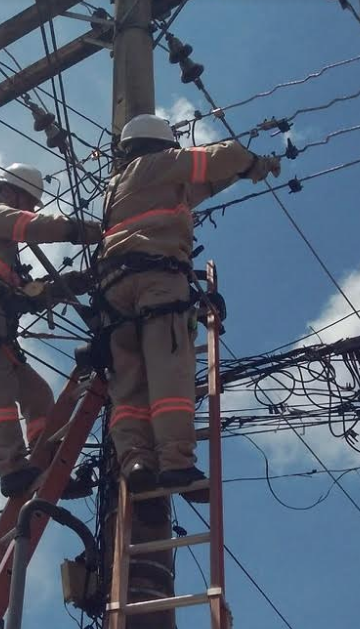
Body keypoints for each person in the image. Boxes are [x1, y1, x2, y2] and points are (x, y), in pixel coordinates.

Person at [97, 114, 281, 498]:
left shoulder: (117, 188)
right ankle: (176, 464)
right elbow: (224, 155)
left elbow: (200, 187)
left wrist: (241, 175)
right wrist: (252, 165)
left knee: (128, 381)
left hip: (114, 292)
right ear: (162, 145)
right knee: (169, 371)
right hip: (157, 281)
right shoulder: (159, 164)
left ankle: (136, 460)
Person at [0, 163, 102, 497]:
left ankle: (44, 463)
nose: (29, 208)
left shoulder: (4, 252)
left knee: (37, 394)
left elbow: (27, 297)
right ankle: (12, 467)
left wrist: (72, 283)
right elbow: (34, 226)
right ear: (9, 192)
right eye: (27, 200)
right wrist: (92, 230)